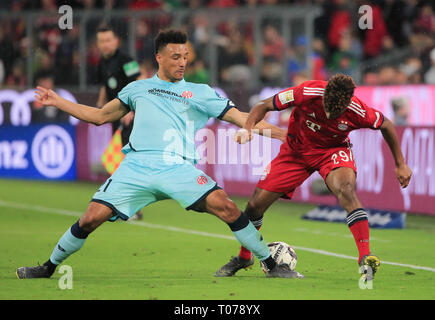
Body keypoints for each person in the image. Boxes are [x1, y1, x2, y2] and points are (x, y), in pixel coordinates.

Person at [16, 29, 302, 280]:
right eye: (175, 57)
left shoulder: (199, 92)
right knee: (90, 218)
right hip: (136, 166)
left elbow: (242, 118)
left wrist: (285, 135)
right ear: (159, 58)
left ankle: (270, 263)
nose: (182, 62)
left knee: (226, 206)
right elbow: (100, 116)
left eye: (185, 56)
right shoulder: (138, 88)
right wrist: (58, 101)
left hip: (176, 168)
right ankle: (48, 267)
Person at [216, 74, 412, 282]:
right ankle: (244, 257)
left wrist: (400, 163)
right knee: (255, 205)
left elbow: (387, 125)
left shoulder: (358, 111)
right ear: (325, 95)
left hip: (331, 152)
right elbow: (263, 105)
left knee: (346, 190)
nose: (329, 114)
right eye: (327, 109)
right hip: (295, 152)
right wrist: (247, 129)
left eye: (335, 113)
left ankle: (365, 255)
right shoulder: (307, 92)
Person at [95, 24, 142, 219]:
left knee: (128, 160)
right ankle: (127, 205)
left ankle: (133, 207)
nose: (105, 44)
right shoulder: (102, 63)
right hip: (115, 116)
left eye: (108, 40)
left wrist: (130, 109)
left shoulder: (126, 60)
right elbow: (106, 87)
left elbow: (138, 83)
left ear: (115, 41)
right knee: (121, 160)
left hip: (131, 116)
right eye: (101, 41)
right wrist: (99, 109)